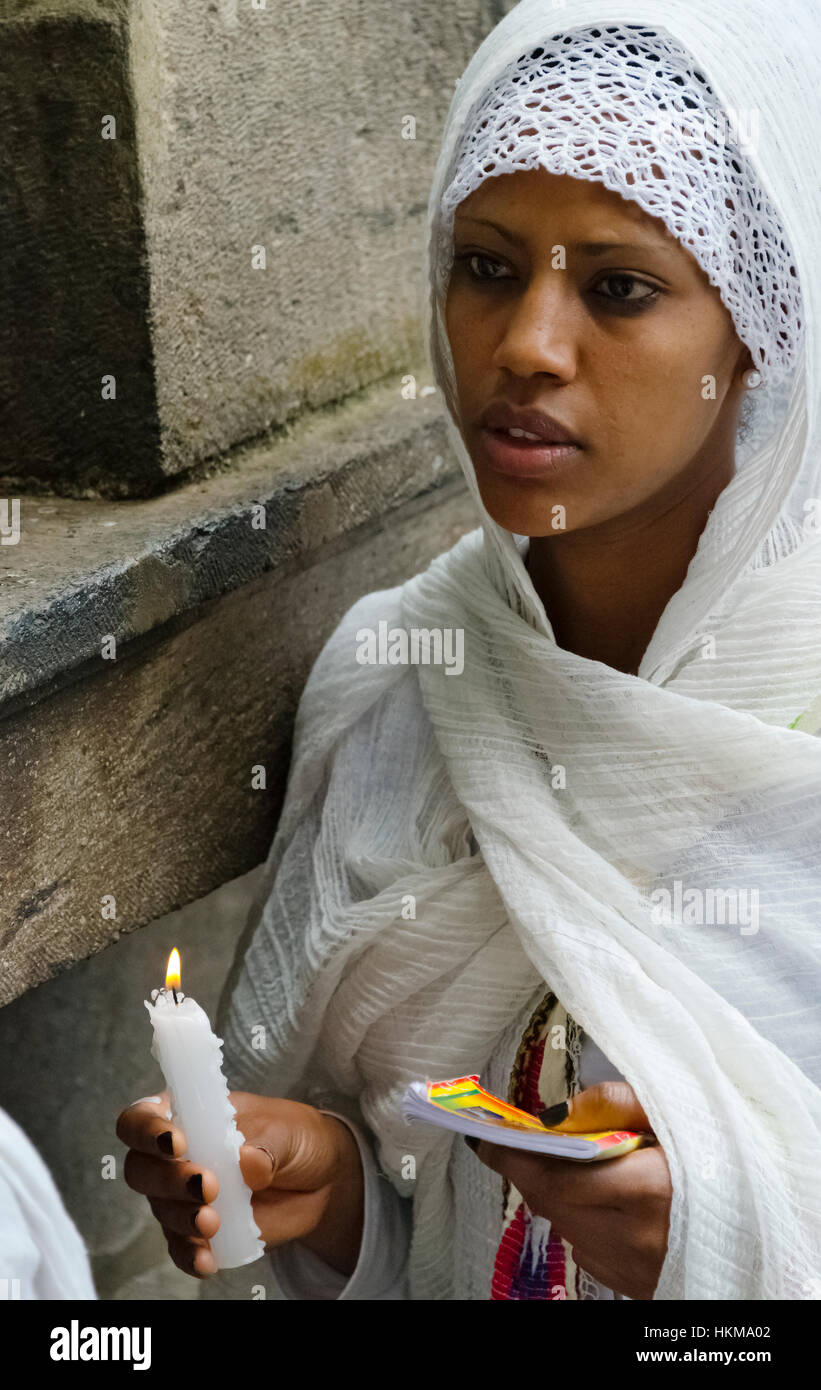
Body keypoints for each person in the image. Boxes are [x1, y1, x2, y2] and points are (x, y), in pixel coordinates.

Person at [118, 0, 821, 1300]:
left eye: (618, 288)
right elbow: (440, 1232)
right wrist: (337, 1198)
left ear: (760, 331)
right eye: (487, 267)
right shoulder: (399, 680)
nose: (525, 347)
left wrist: (730, 1250)